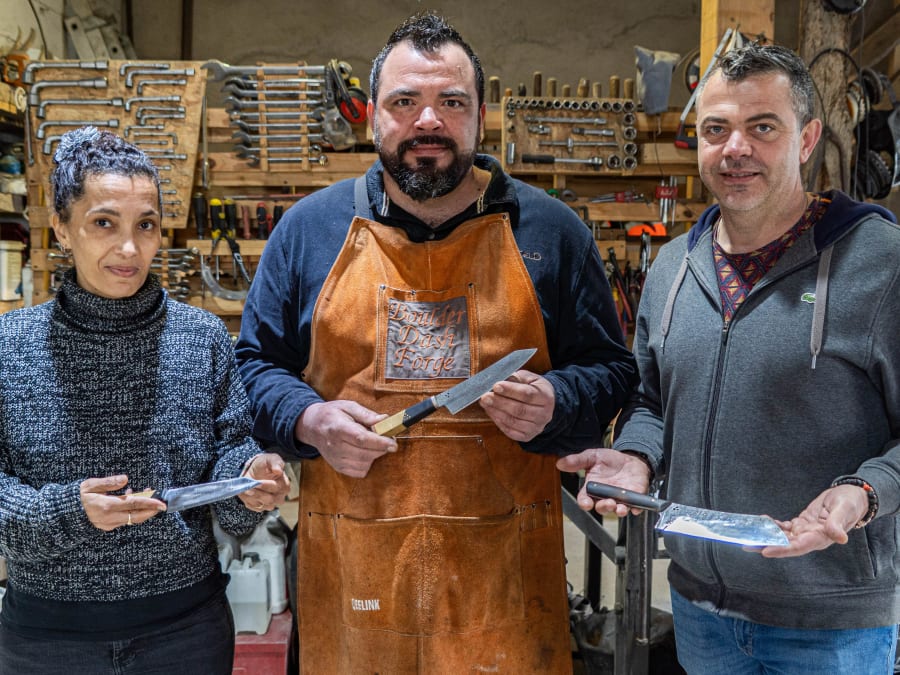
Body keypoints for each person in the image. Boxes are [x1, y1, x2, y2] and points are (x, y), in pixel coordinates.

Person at [235, 11, 637, 673]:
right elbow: (253, 367)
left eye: (451, 102)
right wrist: (308, 419)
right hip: (355, 576)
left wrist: (558, 400)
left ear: (481, 116)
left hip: (502, 577)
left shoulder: (552, 233)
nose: (428, 121)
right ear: (372, 117)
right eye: (405, 102)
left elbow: (612, 370)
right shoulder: (308, 231)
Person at [558, 42, 900, 674]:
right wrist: (638, 456)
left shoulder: (881, 262)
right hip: (701, 611)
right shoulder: (672, 268)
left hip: (829, 623)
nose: (735, 148)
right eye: (716, 129)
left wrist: (864, 492)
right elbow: (652, 401)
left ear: (807, 139)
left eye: (762, 128)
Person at [0, 127, 291, 674]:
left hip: (185, 633)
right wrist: (69, 512)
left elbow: (228, 456)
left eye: (146, 225)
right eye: (103, 223)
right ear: (62, 228)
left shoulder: (201, 337)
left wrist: (250, 479)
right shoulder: (9, 346)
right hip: (48, 641)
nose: (130, 249)